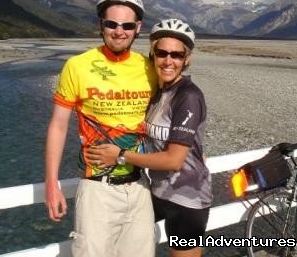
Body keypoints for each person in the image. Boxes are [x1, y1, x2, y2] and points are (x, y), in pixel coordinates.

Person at [44, 0, 157, 257]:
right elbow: (58, 126)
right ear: (101, 24)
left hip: (140, 187)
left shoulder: (149, 68)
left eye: (127, 25)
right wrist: (52, 184)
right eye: (111, 24)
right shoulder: (77, 65)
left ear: (138, 27)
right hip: (96, 189)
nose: (119, 31)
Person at [87, 18, 212, 257]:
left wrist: (121, 156)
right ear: (152, 55)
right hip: (159, 191)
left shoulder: (188, 96)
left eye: (176, 55)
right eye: (162, 53)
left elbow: (174, 161)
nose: (168, 60)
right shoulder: (158, 93)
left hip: (187, 199)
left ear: (187, 60)